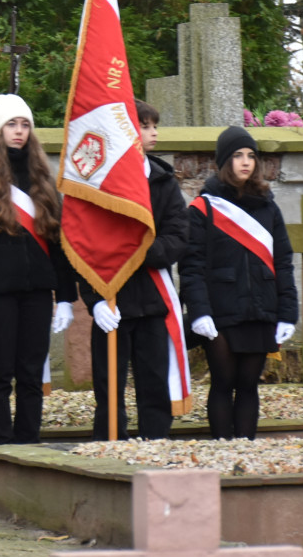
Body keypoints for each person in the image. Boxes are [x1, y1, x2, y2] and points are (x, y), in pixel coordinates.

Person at [0, 94, 77, 445]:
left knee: (32, 373)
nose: (19, 131)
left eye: (24, 125)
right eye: (12, 124)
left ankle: (29, 443)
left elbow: (58, 243)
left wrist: (66, 297)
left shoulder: (43, 183)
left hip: (37, 292)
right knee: (0, 372)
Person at [180, 125, 298, 439]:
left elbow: (283, 263)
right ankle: (222, 451)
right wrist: (200, 311)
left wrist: (288, 313)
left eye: (250, 156)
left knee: (248, 385)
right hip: (221, 312)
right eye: (237, 155)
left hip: (261, 310)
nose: (245, 162)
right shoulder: (204, 208)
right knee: (223, 382)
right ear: (224, 161)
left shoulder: (268, 207)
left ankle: (245, 453)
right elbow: (191, 267)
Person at [82, 99, 189, 440]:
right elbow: (85, 247)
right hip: (112, 300)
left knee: (154, 383)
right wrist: (94, 301)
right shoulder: (99, 183)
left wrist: (138, 251)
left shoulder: (164, 181)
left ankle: (154, 446)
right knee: (109, 387)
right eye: (145, 126)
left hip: (153, 300)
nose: (153, 132)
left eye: (154, 126)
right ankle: (110, 450)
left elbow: (177, 236)